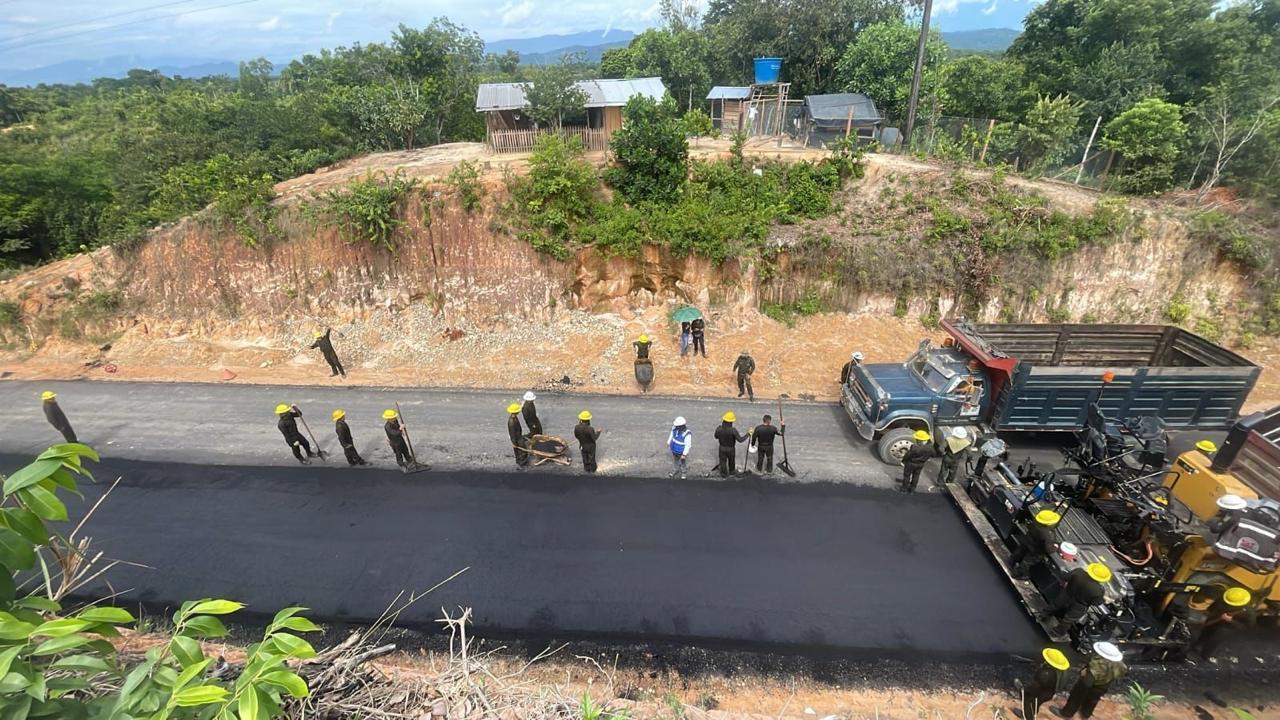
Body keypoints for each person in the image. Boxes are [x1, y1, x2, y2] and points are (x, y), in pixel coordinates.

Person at [1052, 642, 1126, 719]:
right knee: (1093, 700)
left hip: (1089, 681)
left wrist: (1084, 676)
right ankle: (1085, 714)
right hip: (1104, 685)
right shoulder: (1120, 665)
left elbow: (1086, 683)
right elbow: (1121, 673)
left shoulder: (1096, 665)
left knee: (1077, 696)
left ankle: (1067, 713)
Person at [1190, 587, 1252, 660]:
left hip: (1227, 627)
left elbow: (1246, 627)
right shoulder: (1223, 599)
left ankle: (1205, 655)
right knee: (1205, 633)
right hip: (1215, 619)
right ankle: (1196, 645)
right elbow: (1213, 607)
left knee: (1215, 639)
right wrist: (1207, 614)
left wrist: (1231, 621)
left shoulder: (1249, 613)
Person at [1044, 563, 1110, 631]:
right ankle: (1058, 632)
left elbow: (1065, 577)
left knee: (1055, 605)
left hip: (1066, 595)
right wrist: (1104, 600)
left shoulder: (1079, 572)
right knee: (1068, 620)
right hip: (1079, 606)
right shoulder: (1099, 590)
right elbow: (1096, 603)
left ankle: (1042, 615)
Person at [1016, 647, 1070, 719]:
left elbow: (1035, 686)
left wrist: (1023, 690)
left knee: (1029, 702)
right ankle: (1031, 713)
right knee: (1036, 704)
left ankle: (1026, 716)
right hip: (1050, 693)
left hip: (1041, 693)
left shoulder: (1046, 674)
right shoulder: (1063, 672)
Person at [1011, 510, 1061, 579]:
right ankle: (1019, 574)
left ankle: (1012, 561)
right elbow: (1048, 549)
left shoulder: (1035, 522)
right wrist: (1056, 547)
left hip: (1027, 540)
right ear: (1048, 523)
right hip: (1035, 549)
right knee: (1027, 561)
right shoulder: (1047, 534)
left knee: (1020, 551)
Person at [713, 411, 748, 477]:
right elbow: (740, 440)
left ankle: (724, 474)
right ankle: (732, 472)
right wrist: (748, 434)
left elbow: (716, 436)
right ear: (731, 421)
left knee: (722, 461)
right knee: (731, 461)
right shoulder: (733, 430)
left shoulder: (719, 429)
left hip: (722, 448)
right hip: (731, 449)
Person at [508, 403, 529, 467]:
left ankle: (521, 461)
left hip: (519, 436)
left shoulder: (514, 418)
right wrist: (514, 443)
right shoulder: (511, 422)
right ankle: (521, 463)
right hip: (517, 438)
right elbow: (512, 434)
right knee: (522, 450)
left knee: (521, 449)